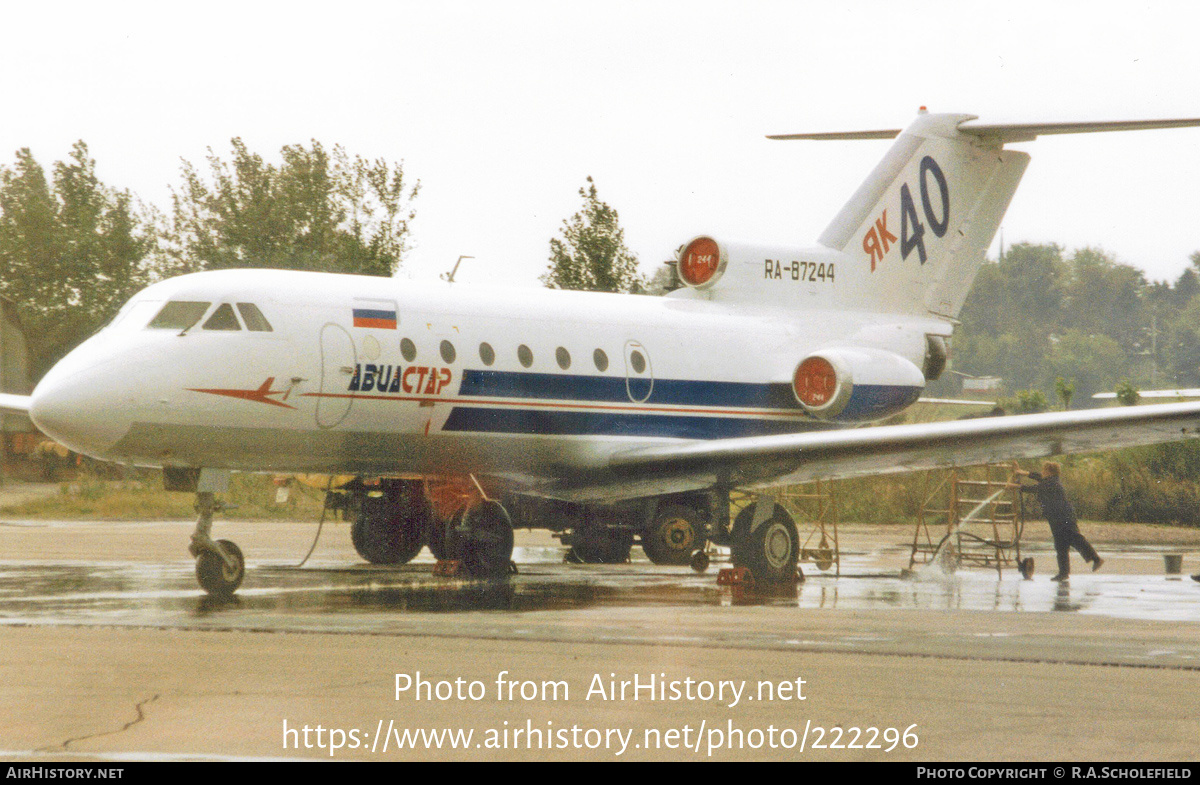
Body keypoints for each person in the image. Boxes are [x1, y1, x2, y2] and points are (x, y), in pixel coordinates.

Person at [1014, 462, 1103, 581]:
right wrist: (1022, 472)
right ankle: (1063, 573)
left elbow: (1035, 488)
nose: (1042, 473)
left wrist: (1016, 487)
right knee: (1061, 545)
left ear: (1049, 472)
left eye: (1044, 470)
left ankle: (1096, 559)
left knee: (1075, 539)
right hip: (1057, 519)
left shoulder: (1051, 483)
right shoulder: (1051, 480)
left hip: (1064, 518)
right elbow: (1038, 477)